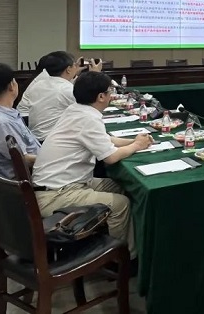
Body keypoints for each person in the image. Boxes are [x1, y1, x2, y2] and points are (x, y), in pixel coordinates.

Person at [32, 71, 153, 258]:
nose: (112, 95)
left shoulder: (77, 110)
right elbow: (110, 157)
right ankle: (121, 257)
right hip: (56, 194)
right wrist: (137, 146)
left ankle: (126, 243)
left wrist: (134, 141)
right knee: (120, 204)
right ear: (101, 96)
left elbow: (105, 140)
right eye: (110, 91)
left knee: (122, 185)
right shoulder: (87, 118)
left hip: (64, 184)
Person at [28, 52, 101, 141]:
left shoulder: (39, 84)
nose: (76, 67)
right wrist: (94, 76)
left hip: (36, 138)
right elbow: (91, 106)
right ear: (68, 69)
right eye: (74, 65)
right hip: (53, 139)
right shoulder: (65, 89)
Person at [0, 63, 40, 179]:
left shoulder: (7, 113)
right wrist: (52, 159)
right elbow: (24, 159)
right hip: (29, 180)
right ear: (11, 86)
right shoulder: (2, 122)